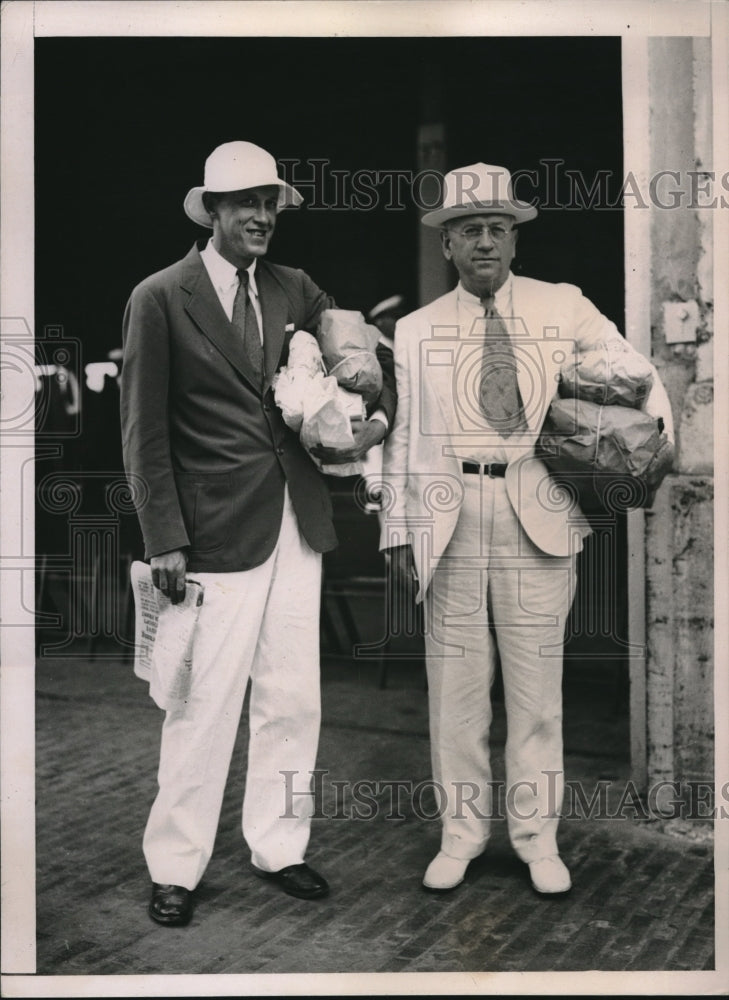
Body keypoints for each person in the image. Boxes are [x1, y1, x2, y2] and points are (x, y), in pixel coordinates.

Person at [120, 140, 396, 926]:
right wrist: (163, 536)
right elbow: (142, 430)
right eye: (247, 203)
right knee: (202, 704)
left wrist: (373, 419)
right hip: (210, 533)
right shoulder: (159, 297)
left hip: (297, 523)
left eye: (271, 203)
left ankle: (279, 846)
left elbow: (362, 356)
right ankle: (175, 866)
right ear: (211, 211)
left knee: (291, 697)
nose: (263, 216)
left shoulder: (295, 288)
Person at [380, 162, 673, 896]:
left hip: (535, 512)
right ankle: (461, 837)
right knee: (456, 694)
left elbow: (636, 374)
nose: (485, 242)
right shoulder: (415, 330)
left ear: (514, 239)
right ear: (446, 243)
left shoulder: (561, 305)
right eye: (469, 230)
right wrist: (397, 529)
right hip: (448, 515)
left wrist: (644, 446)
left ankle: (537, 841)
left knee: (537, 696)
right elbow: (402, 439)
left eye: (497, 228)